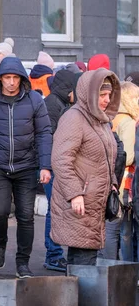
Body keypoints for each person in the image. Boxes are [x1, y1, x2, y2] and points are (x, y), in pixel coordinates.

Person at [0, 57, 52, 278]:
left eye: (15, 78)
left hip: (26, 166)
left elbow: (44, 133)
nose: (12, 83)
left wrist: (45, 165)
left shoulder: (34, 100)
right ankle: (0, 244)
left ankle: (22, 262)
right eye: (7, 78)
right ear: (0, 78)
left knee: (26, 216)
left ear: (22, 79)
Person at [51, 69, 120, 265]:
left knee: (87, 259)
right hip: (80, 202)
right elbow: (61, 159)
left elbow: (106, 158)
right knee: (82, 260)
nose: (107, 100)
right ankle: (78, 296)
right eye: (102, 95)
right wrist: (74, 193)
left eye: (109, 95)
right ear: (89, 94)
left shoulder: (101, 121)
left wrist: (112, 183)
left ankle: (80, 295)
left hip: (94, 202)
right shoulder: (74, 118)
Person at [42, 69, 76, 272]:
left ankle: (55, 254)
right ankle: (53, 255)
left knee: (57, 211)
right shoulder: (54, 105)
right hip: (53, 167)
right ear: (68, 88)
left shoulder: (59, 103)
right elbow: (49, 138)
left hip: (56, 166)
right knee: (54, 211)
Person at [102, 82, 139, 261]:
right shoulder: (129, 122)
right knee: (124, 232)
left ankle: (109, 268)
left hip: (111, 179)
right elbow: (130, 157)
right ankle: (125, 272)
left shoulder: (111, 118)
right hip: (126, 183)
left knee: (111, 229)